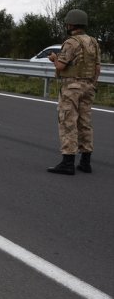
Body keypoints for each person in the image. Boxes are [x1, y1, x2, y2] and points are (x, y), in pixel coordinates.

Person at [47, 9, 101, 175]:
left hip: (71, 88)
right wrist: (91, 83)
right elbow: (98, 68)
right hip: (89, 86)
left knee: (68, 121)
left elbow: (61, 66)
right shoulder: (93, 42)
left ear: (71, 24)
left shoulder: (71, 43)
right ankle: (86, 162)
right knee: (85, 123)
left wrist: (54, 59)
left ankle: (68, 162)